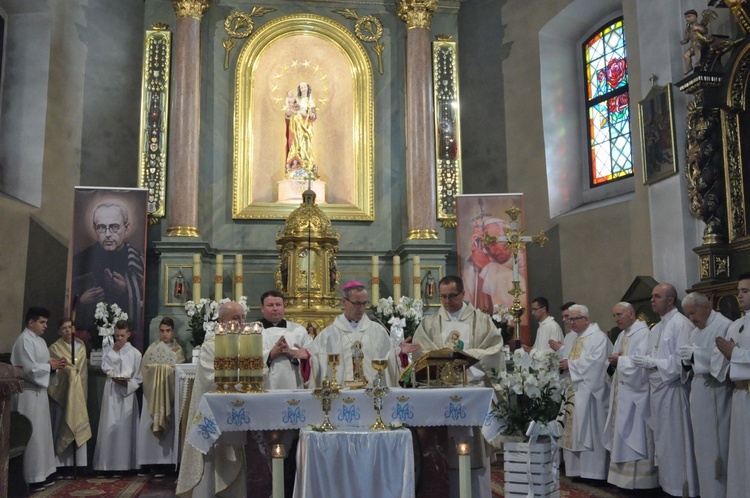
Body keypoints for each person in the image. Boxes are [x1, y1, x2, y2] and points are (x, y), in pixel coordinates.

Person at [411, 275, 504, 498]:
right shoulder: (430, 322)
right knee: (441, 452)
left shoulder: (481, 321)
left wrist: (465, 358)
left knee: (473, 454)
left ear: (463, 294)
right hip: (440, 394)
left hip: (471, 391)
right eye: (443, 296)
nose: (447, 301)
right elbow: (420, 353)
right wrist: (443, 359)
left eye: (452, 296)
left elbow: (494, 350)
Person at [632, 283, 699, 497]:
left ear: (670, 300)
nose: (652, 300)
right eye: (652, 296)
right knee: (664, 443)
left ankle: (683, 488)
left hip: (674, 390)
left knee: (677, 441)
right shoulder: (657, 327)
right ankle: (668, 486)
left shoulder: (681, 324)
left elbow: (683, 362)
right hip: (658, 391)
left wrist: (653, 362)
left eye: (657, 296)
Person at [177, 301, 247, 498]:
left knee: (238, 459)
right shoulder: (211, 347)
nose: (241, 323)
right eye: (235, 318)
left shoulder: (249, 343)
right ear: (222, 321)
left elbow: (259, 372)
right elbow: (212, 378)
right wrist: (243, 382)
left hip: (239, 413)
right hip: (215, 415)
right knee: (211, 462)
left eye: (243, 318)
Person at [679, 292, 731, 497]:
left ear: (707, 308)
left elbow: (723, 360)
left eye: (693, 312)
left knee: (717, 447)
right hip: (699, 392)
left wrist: (695, 355)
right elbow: (692, 358)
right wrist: (686, 360)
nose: (691, 318)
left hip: (717, 394)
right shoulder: (695, 330)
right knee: (701, 448)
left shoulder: (723, 326)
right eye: (688, 314)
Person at [308, 281, 408, 387]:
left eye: (364, 303)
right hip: (340, 397)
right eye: (356, 303)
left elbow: (390, 360)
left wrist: (400, 354)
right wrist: (306, 357)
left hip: (371, 395)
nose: (361, 308)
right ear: (343, 301)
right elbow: (316, 363)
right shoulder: (328, 334)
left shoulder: (378, 331)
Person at [601, 302, 658, 491]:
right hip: (622, 391)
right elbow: (617, 359)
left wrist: (621, 361)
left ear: (631, 314)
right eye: (614, 316)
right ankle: (622, 480)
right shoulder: (622, 335)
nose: (616, 319)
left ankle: (640, 482)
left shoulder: (642, 334)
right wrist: (614, 362)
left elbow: (641, 362)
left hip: (635, 394)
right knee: (621, 433)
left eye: (619, 315)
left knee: (636, 433)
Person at [11, 307, 67, 490]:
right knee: (32, 435)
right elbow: (27, 369)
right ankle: (32, 477)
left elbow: (43, 365)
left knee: (42, 435)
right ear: (30, 322)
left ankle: (44, 472)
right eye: (42, 322)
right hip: (28, 395)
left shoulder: (41, 342)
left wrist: (54, 366)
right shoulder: (24, 341)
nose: (46, 326)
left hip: (40, 394)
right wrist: (49, 367)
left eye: (46, 322)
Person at [72, 201, 144, 336]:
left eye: (114, 227)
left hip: (126, 335)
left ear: (126, 228)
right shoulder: (81, 259)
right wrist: (82, 301)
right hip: (90, 333)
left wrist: (125, 290)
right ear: (94, 229)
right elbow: (71, 301)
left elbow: (142, 302)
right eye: (101, 227)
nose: (108, 234)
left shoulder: (138, 260)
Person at [559, 304, 612, 482]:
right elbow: (566, 358)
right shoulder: (573, 337)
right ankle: (577, 471)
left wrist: (571, 365)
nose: (571, 322)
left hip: (590, 393)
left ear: (586, 319)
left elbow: (597, 363)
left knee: (590, 431)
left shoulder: (598, 337)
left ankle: (594, 473)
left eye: (575, 319)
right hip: (573, 390)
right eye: (570, 319)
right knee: (574, 433)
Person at [713, 273, 750, 497]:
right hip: (739, 395)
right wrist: (727, 356)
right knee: (740, 451)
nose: (739, 295)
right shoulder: (736, 324)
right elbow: (723, 361)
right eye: (739, 291)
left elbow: (735, 353)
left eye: (745, 291)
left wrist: (733, 352)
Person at [136, 317, 185, 476]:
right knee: (148, 426)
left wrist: (167, 370)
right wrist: (156, 370)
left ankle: (166, 464)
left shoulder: (178, 350)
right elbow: (144, 368)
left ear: (173, 331)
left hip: (168, 397)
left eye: (168, 331)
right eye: (162, 331)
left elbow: (180, 370)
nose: (165, 334)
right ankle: (148, 462)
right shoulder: (152, 348)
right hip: (153, 394)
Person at [93, 319, 142, 473]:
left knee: (125, 428)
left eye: (122, 336)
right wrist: (114, 352)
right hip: (112, 391)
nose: (119, 339)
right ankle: (107, 465)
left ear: (128, 334)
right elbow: (106, 368)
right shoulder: (108, 350)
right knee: (109, 424)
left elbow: (138, 377)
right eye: (116, 336)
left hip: (127, 394)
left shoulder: (135, 353)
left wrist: (128, 384)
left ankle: (125, 465)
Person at [48, 317, 91, 472]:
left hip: (77, 393)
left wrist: (74, 374)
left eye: (70, 327)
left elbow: (82, 372)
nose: (67, 330)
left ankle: (78, 464)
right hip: (62, 393)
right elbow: (58, 369)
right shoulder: (55, 347)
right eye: (64, 328)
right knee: (61, 421)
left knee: (76, 419)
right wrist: (70, 371)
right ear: (59, 331)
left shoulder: (80, 346)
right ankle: (60, 465)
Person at [463, 217, 526, 313]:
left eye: (493, 243)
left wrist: (487, 267)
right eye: (487, 247)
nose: (492, 251)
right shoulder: (488, 257)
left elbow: (521, 294)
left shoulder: (522, 258)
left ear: (508, 238)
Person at [260, 290, 312, 389]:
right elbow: (246, 357)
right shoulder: (254, 330)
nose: (275, 308)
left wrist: (297, 355)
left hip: (293, 382)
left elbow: (312, 356)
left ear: (284, 306)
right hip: (265, 384)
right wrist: (270, 355)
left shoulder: (298, 330)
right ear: (262, 308)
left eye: (278, 304)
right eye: (270, 305)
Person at [285, 81, 317, 180]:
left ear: (308, 88)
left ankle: (307, 164)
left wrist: (311, 114)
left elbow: (313, 114)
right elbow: (289, 110)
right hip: (296, 124)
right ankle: (296, 162)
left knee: (305, 142)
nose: (303, 89)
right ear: (300, 89)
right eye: (301, 87)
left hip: (305, 125)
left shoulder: (310, 100)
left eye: (305, 87)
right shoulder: (297, 99)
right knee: (296, 142)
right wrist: (289, 112)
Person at [680, 9, 710, 74]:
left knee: (697, 46)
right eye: (686, 17)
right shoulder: (688, 29)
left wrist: (698, 28)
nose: (687, 19)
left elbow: (705, 31)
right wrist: (684, 41)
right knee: (686, 55)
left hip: (701, 42)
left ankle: (697, 62)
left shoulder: (699, 25)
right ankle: (689, 67)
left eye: (689, 16)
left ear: (695, 16)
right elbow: (687, 38)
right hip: (692, 45)